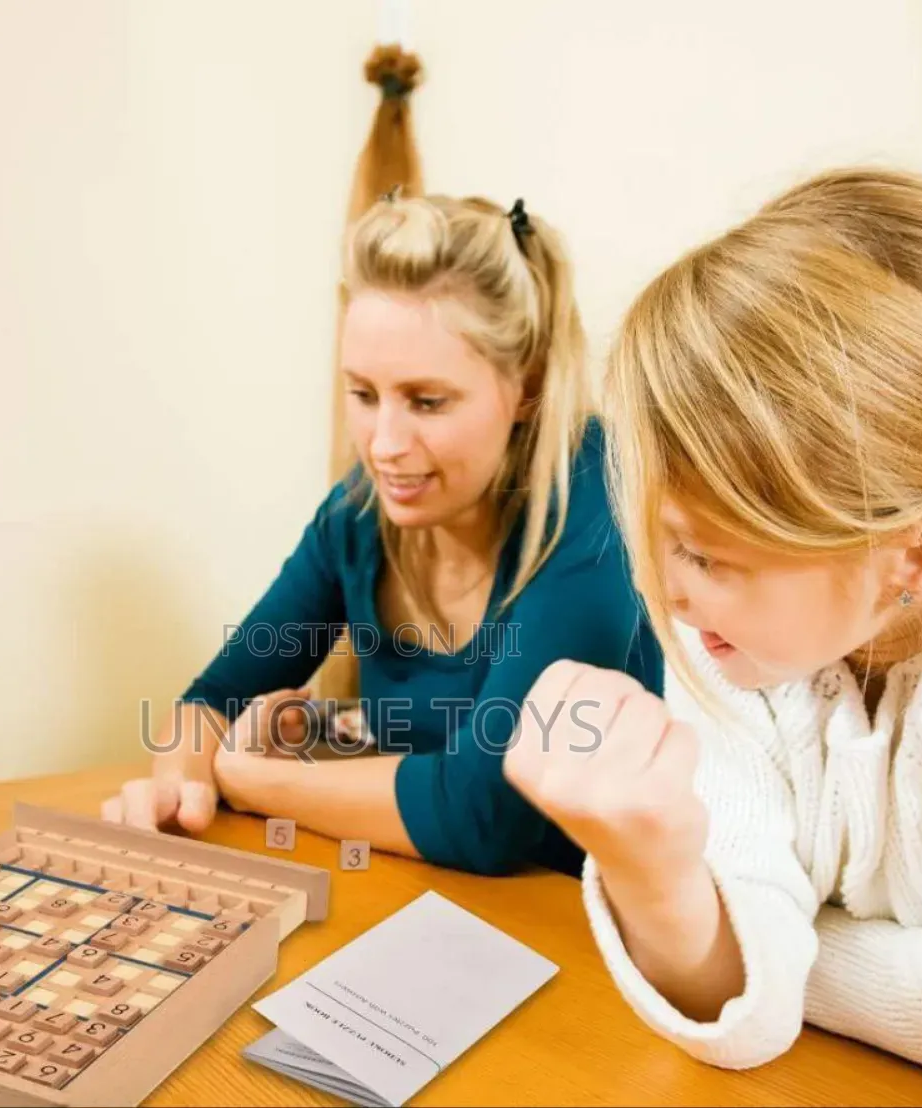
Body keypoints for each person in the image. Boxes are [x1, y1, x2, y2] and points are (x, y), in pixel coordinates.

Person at [504, 167, 922, 1104]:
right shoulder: (743, 639)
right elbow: (737, 1003)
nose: (666, 592)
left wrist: (775, 946)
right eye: (658, 539)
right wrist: (654, 879)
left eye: (704, 555)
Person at [102, 194, 661, 877]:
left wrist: (247, 778)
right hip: (422, 889)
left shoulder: (595, 516)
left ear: (528, 385)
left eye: (427, 401)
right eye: (364, 395)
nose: (384, 445)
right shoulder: (361, 513)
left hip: (579, 914)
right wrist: (181, 789)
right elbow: (217, 700)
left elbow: (483, 816)